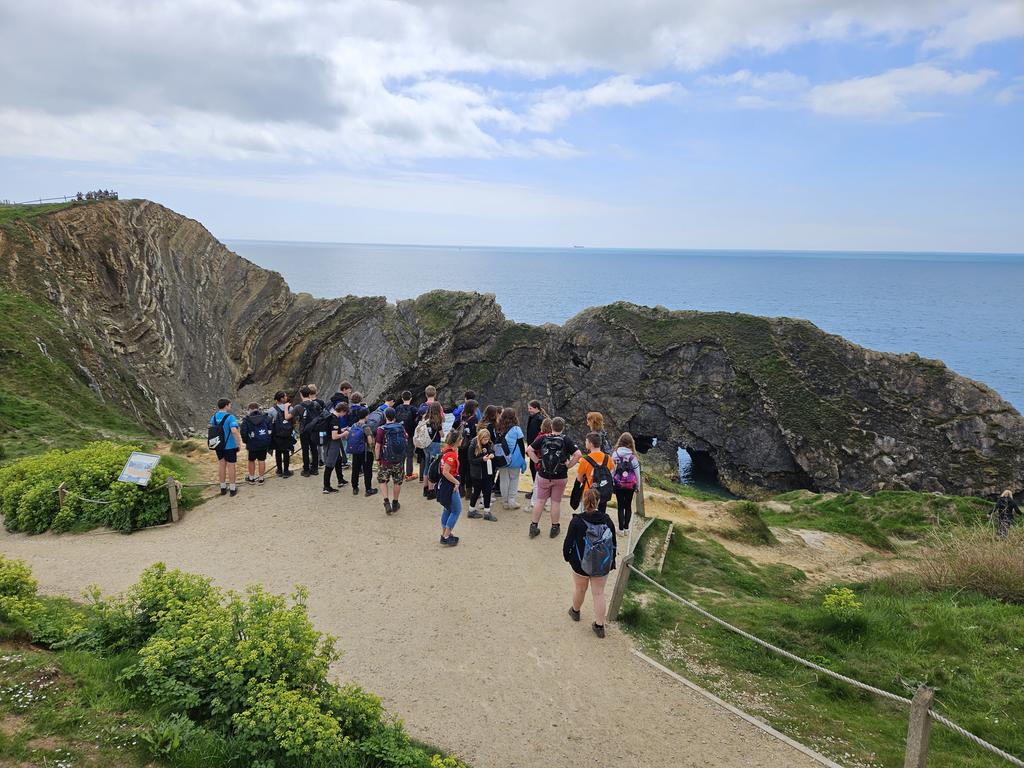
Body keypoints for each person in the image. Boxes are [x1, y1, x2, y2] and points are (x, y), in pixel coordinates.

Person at [563, 487, 617, 638]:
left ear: (583, 500)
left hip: (580, 564)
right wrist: (611, 561)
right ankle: (599, 626)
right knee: (599, 593)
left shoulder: (577, 521)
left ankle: (575, 611)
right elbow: (613, 543)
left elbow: (568, 543)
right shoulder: (607, 520)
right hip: (601, 564)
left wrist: (568, 557)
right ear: (599, 502)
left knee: (580, 589)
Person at [526, 417, 582, 539]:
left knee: (540, 501)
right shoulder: (566, 440)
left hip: (543, 475)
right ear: (563, 427)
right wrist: (569, 465)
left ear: (551, 426)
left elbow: (529, 449)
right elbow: (578, 454)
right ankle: (554, 527)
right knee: (556, 502)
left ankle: (534, 526)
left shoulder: (543, 438)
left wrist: (538, 462)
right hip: (560, 476)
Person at [375, 407, 408, 515]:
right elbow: (406, 438)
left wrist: (378, 458)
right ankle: (395, 502)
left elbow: (378, 446)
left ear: (385, 416)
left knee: (382, 480)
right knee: (397, 481)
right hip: (399, 459)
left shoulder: (381, 429)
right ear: (395, 416)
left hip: (385, 459)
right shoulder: (401, 427)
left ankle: (386, 502)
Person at [210, 399, 243, 497]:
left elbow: (212, 430)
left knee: (221, 465)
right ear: (226, 406)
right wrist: (239, 442)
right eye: (230, 405)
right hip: (230, 445)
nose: (230, 406)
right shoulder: (230, 417)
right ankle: (232, 488)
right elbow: (234, 430)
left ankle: (223, 488)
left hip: (218, 445)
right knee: (231, 466)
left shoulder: (214, 417)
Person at [610, 432, 642, 535]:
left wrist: (611, 483)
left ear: (620, 441)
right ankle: (627, 528)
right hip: (630, 485)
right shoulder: (633, 457)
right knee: (628, 506)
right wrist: (637, 486)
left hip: (618, 485)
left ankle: (620, 529)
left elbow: (612, 471)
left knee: (620, 506)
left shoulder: (615, 454)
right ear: (631, 443)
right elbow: (637, 473)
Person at [576, 432, 614, 514]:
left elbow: (579, 478)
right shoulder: (608, 458)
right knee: (601, 516)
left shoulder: (585, 460)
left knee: (586, 518)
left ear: (590, 443)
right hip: (603, 493)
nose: (585, 443)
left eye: (586, 441)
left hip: (588, 493)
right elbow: (611, 474)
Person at [496, 407, 527, 509]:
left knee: (504, 480)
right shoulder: (517, 429)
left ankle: (505, 501)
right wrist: (523, 459)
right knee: (514, 478)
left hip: (502, 457)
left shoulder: (498, 427)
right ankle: (512, 500)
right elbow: (521, 446)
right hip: (515, 458)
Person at [436, 429, 463, 546]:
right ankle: (446, 535)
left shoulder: (446, 451)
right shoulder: (451, 455)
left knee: (447, 509)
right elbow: (446, 472)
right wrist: (456, 482)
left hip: (445, 485)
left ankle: (445, 533)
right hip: (450, 485)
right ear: (457, 441)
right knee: (456, 510)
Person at [291, 385, 324, 476]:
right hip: (314, 429)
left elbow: (288, 417)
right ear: (309, 394)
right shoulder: (316, 404)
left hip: (303, 430)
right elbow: (321, 415)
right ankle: (315, 469)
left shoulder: (298, 406)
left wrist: (286, 408)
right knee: (314, 449)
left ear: (301, 394)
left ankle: (306, 470)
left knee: (305, 450)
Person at [467, 426, 497, 521]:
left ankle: (487, 512)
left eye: (487, 439)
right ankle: (471, 510)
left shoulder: (488, 443)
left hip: (487, 472)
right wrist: (482, 459)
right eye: (484, 439)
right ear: (480, 438)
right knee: (476, 492)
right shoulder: (473, 445)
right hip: (477, 474)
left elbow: (491, 450)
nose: (486, 441)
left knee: (487, 491)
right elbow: (471, 460)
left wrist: (492, 454)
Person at [348, 405, 378, 497]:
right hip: (365, 452)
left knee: (355, 469)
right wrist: (373, 446)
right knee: (367, 470)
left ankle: (355, 487)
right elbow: (370, 441)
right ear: (366, 416)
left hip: (356, 451)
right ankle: (368, 489)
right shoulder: (366, 427)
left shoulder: (353, 425)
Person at [240, 402, 272, 485]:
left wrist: (246, 441)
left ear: (249, 409)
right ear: (258, 408)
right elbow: (270, 430)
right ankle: (261, 479)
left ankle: (251, 478)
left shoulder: (247, 419)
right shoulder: (266, 418)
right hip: (263, 443)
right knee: (262, 460)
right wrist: (267, 440)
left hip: (252, 443)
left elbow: (243, 432)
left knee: (251, 460)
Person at [322, 401, 350, 494]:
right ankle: (326, 486)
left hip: (329, 443)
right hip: (332, 445)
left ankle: (340, 479)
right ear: (342, 411)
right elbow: (334, 436)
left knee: (338, 460)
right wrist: (344, 433)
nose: (345, 415)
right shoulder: (334, 420)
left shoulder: (331, 417)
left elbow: (333, 431)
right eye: (345, 412)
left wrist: (341, 430)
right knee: (329, 465)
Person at [268, 391, 294, 477]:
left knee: (278, 452)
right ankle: (286, 471)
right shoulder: (290, 408)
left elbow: (269, 422)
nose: (287, 397)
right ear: (282, 398)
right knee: (286, 452)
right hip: (287, 433)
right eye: (285, 396)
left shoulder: (272, 410)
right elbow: (293, 419)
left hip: (277, 434)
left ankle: (279, 470)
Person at [525, 400, 547, 500]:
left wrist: (531, 448)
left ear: (536, 408)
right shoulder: (535, 418)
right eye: (529, 408)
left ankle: (537, 491)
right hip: (535, 448)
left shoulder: (537, 419)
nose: (529, 410)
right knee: (534, 469)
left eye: (531, 408)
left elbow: (534, 436)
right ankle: (536, 490)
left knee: (535, 469)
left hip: (536, 449)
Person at [456, 399, 479, 497]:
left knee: (461, 468)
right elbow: (475, 433)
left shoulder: (461, 416)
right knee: (470, 468)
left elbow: (454, 428)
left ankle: (461, 489)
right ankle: (469, 492)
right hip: (470, 446)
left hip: (461, 445)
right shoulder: (474, 419)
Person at [421, 401, 444, 499]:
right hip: (435, 444)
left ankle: (425, 488)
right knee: (433, 466)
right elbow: (441, 434)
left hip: (426, 444)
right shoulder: (437, 420)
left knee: (427, 465)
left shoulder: (425, 418)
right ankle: (431, 490)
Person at [394, 390, 418, 480]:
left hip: (399, 434)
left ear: (402, 398)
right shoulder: (414, 409)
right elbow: (416, 422)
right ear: (411, 398)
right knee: (409, 454)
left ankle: (400, 473)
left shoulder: (397, 408)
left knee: (401, 454)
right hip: (410, 434)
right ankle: (409, 473)